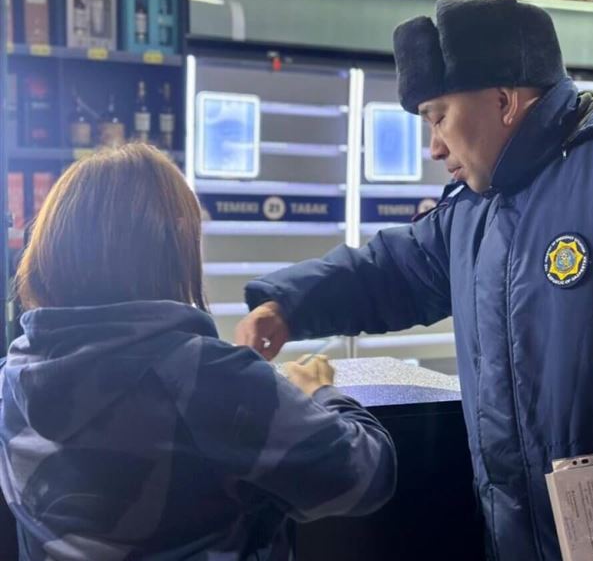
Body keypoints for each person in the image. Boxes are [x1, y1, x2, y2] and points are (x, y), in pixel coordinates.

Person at [235, 0, 593, 560]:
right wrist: (288, 304)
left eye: (439, 118)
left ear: (504, 101)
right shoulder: (480, 207)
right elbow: (395, 268)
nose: (433, 147)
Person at [0, 144, 396, 560]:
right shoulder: (205, 377)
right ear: (170, 246)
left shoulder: (13, 379)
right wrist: (320, 392)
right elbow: (366, 477)